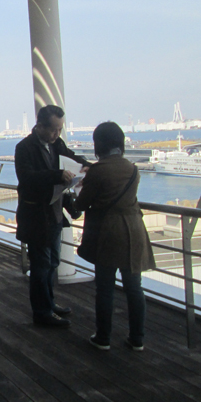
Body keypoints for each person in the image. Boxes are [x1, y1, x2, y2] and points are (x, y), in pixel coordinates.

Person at [74, 121, 155, 351]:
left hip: (108, 232)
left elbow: (81, 204)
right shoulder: (133, 169)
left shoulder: (98, 170)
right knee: (134, 287)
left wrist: (79, 187)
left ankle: (103, 337)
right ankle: (137, 338)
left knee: (105, 287)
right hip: (134, 229)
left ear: (98, 144)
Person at [15, 105, 91, 327]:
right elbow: (26, 178)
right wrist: (56, 175)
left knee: (53, 262)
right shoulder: (24, 148)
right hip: (36, 215)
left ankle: (49, 303)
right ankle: (42, 312)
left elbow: (72, 157)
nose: (57, 134)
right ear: (39, 126)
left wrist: (85, 166)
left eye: (60, 129)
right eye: (53, 129)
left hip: (54, 213)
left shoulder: (57, 144)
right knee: (40, 266)